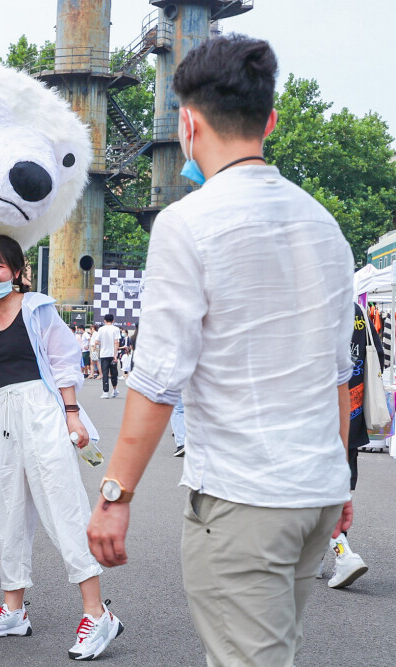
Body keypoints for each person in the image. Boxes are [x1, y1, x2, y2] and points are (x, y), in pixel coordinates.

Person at [86, 36, 354, 667]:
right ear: (271, 121)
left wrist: (115, 496)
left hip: (245, 498)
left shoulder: (189, 223)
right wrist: (340, 478)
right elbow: (337, 374)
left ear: (187, 122)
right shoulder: (326, 226)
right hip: (315, 493)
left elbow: (156, 380)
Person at [0, 236, 123, 660]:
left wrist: (71, 413)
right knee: (8, 513)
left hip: (43, 410)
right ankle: (14, 610)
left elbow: (65, 360)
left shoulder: (37, 308)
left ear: (16, 271)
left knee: (62, 507)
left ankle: (98, 614)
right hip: (4, 417)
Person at [321, 302, 380, 588]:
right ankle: (323, 557)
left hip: (322, 412)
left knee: (319, 489)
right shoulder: (357, 310)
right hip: (352, 412)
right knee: (343, 485)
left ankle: (342, 555)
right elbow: (378, 353)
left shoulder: (317, 305)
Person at [96, 314, 120, 399]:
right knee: (114, 373)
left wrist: (102, 343)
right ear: (113, 321)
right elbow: (116, 342)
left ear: (104, 321)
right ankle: (114, 390)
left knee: (105, 373)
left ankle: (105, 392)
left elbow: (97, 341)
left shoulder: (101, 329)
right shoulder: (116, 329)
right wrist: (115, 355)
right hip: (113, 354)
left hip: (104, 354)